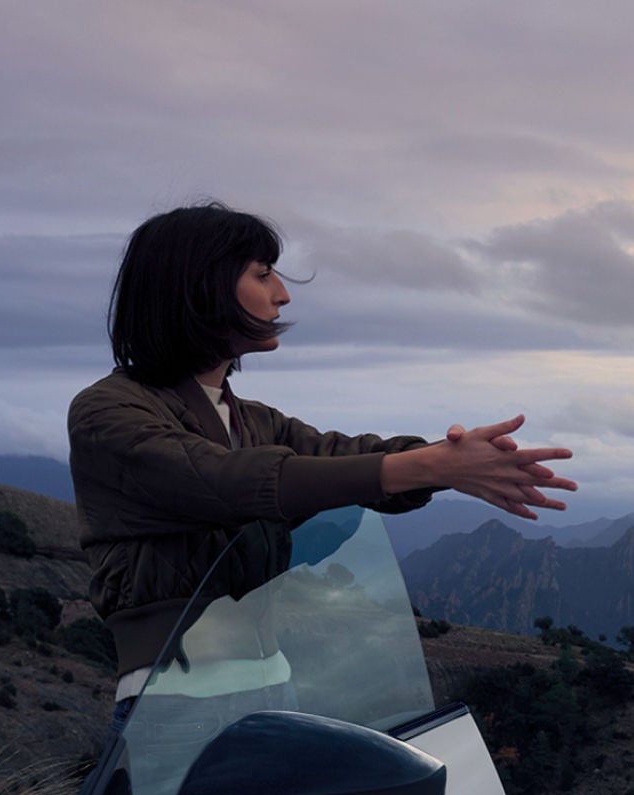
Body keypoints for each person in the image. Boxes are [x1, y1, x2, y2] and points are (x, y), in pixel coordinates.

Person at [68, 202, 577, 723]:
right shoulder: (108, 413)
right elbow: (232, 483)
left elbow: (343, 458)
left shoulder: (253, 419)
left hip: (275, 689)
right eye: (263, 275)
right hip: (171, 703)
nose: (282, 294)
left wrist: (449, 458)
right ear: (199, 286)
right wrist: (432, 467)